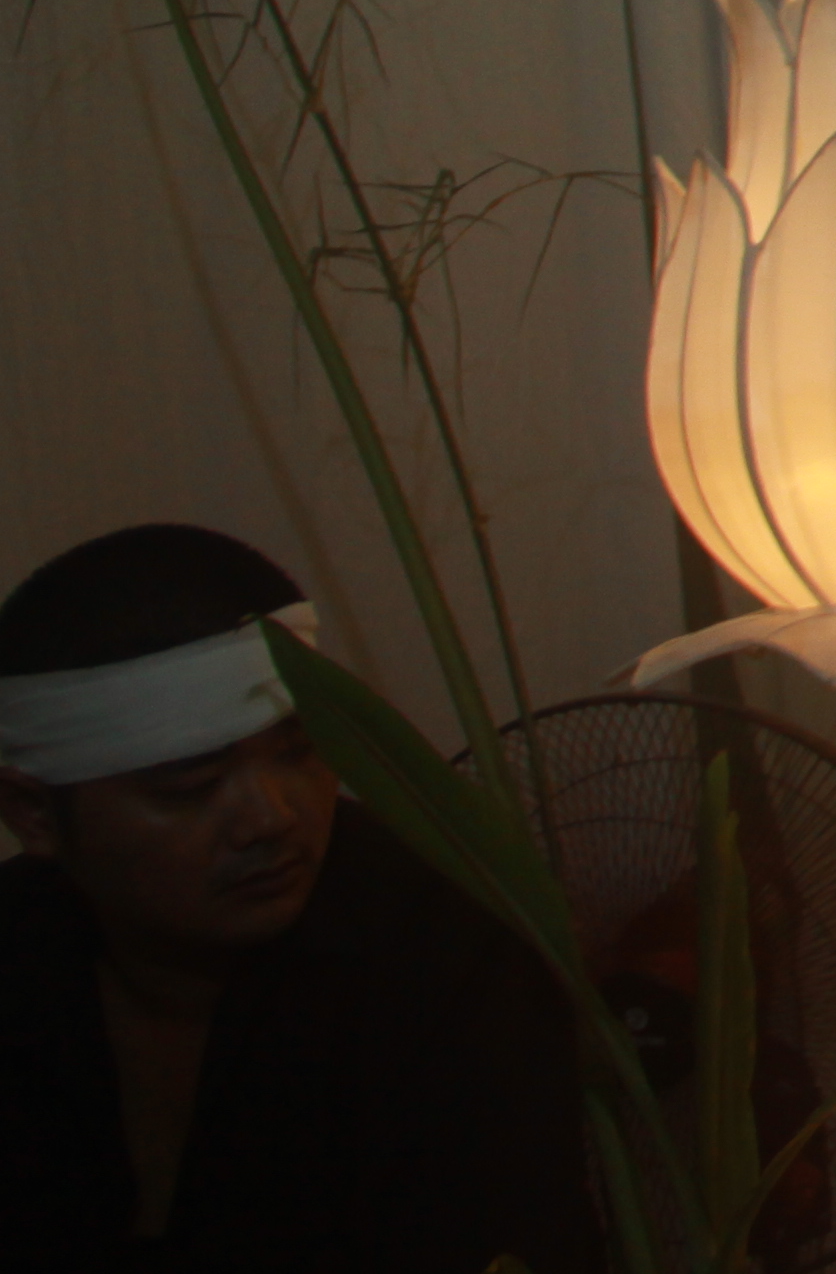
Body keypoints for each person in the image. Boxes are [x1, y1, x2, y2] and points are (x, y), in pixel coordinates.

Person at [0, 525, 597, 1274]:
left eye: (300, 750)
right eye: (191, 787)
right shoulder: (20, 957)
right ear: (33, 814)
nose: (271, 817)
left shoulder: (446, 946)